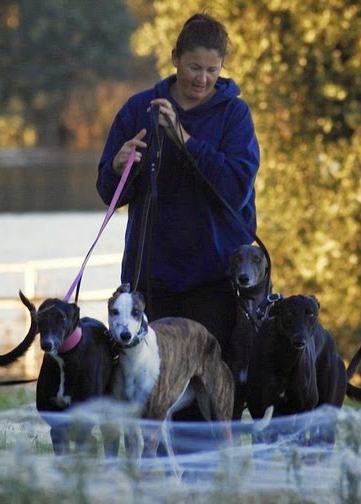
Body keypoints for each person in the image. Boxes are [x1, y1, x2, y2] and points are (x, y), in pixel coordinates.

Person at [96, 12, 260, 369]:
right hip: (151, 278)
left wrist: (185, 141)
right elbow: (109, 194)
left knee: (206, 392)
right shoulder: (139, 109)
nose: (202, 79)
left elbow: (235, 190)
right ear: (174, 59)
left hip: (214, 279)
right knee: (150, 388)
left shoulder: (234, 114)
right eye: (194, 67)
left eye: (212, 70)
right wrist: (117, 168)